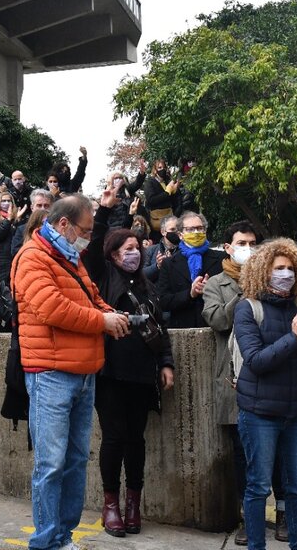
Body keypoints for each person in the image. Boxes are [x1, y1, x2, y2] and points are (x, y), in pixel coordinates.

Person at [13, 195, 130, 550]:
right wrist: (102, 321)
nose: (88, 238)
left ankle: (62, 537)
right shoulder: (32, 257)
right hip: (50, 373)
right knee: (50, 463)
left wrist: (113, 314)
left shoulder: (70, 258)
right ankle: (46, 540)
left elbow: (91, 296)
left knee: (76, 461)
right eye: (85, 230)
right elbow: (53, 308)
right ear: (63, 224)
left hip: (83, 371)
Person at [234, 238, 297, 550]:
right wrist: (295, 336)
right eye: (279, 269)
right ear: (263, 271)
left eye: (291, 269)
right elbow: (257, 362)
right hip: (260, 413)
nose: (287, 274)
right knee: (258, 486)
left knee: (295, 489)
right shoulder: (247, 309)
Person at [87, 188, 174, 537]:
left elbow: (161, 328)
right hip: (110, 373)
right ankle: (111, 506)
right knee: (114, 438)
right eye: (127, 249)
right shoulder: (103, 277)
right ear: (113, 255)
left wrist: (166, 363)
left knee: (136, 440)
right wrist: (104, 213)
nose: (135, 254)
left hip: (142, 374)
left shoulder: (148, 285)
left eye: (137, 249)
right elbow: (93, 248)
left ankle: (134, 504)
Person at [201, 220, 260, 545]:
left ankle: (281, 512)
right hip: (235, 378)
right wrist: (244, 293)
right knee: (243, 453)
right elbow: (218, 321)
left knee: (276, 452)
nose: (248, 249)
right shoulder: (218, 284)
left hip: (272, 376)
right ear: (228, 247)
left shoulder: (274, 277)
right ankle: (247, 517)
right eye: (242, 242)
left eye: (253, 243)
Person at [157, 211, 223, 328]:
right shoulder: (169, 263)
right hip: (183, 328)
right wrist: (190, 294)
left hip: (214, 325)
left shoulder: (220, 258)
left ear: (205, 231)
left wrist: (211, 288)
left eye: (199, 228)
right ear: (180, 234)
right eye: (190, 229)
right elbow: (164, 301)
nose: (196, 232)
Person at [0, 190, 21, 286]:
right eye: (3, 201)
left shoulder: (14, 217)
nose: (6, 203)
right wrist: (8, 220)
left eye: (9, 201)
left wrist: (15, 221)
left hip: (12, 256)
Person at [143, 160, 180, 241]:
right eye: (159, 168)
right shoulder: (150, 182)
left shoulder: (168, 181)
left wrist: (175, 191)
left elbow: (175, 201)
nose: (162, 170)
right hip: (156, 220)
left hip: (170, 216)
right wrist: (167, 193)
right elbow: (151, 200)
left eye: (164, 168)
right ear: (155, 170)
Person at [12, 189, 54, 254]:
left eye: (46, 205)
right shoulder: (22, 229)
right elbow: (15, 252)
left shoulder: (57, 228)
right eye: (39, 205)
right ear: (32, 208)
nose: (43, 209)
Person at [143, 215, 178, 283]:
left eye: (178, 229)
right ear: (163, 232)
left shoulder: (185, 251)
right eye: (172, 229)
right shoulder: (151, 250)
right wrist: (157, 266)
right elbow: (143, 275)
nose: (176, 232)